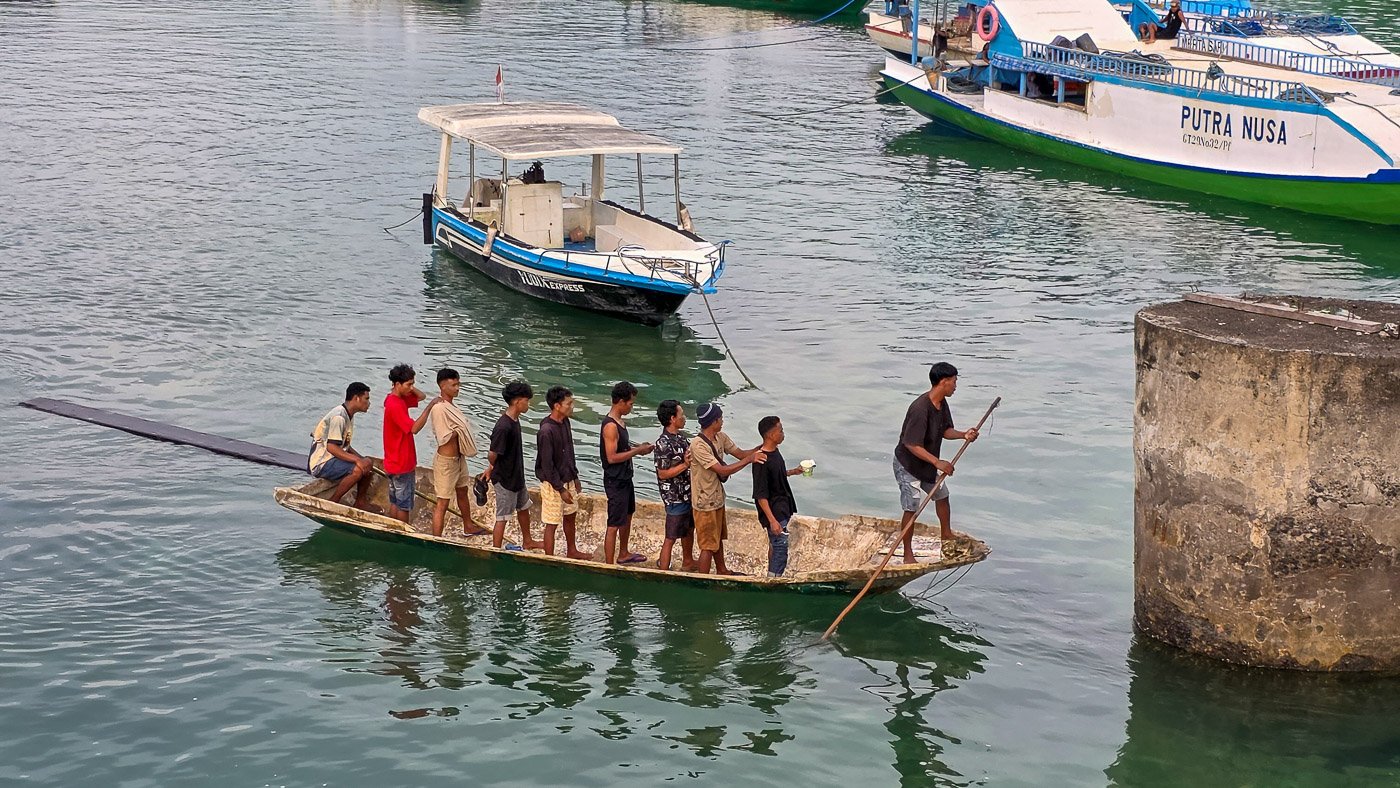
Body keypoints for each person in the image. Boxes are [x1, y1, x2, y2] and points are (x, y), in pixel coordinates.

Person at [893, 362, 979, 563]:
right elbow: (912, 444)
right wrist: (938, 462)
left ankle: (946, 534)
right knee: (911, 507)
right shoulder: (920, 408)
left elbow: (945, 430)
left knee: (942, 496)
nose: (956, 386)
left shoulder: (942, 404)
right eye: (954, 381)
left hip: (926, 464)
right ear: (944, 382)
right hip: (908, 465)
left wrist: (963, 435)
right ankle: (907, 554)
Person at [689, 403, 765, 575]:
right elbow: (722, 470)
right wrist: (749, 460)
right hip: (704, 501)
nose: (722, 421)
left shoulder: (720, 437)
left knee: (717, 539)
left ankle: (722, 570)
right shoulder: (698, 445)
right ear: (713, 421)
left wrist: (764, 445)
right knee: (708, 545)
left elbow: (740, 453)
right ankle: (703, 580)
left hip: (717, 497)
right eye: (720, 418)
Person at [600, 381, 654, 565]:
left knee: (628, 514)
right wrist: (637, 451)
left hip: (625, 477)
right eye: (630, 403)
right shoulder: (610, 426)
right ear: (621, 402)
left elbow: (622, 448)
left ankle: (623, 552)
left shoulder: (620, 423)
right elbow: (612, 457)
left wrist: (639, 448)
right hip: (615, 479)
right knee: (614, 522)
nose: (632, 407)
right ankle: (609, 563)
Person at [428, 368, 486, 538]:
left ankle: (468, 525)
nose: (457, 388)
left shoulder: (453, 407)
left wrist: (459, 430)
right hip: (446, 461)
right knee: (443, 502)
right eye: (454, 385)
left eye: (458, 384)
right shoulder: (439, 409)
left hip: (459, 459)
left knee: (462, 492)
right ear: (442, 386)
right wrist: (458, 430)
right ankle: (435, 538)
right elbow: (442, 437)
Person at [485, 380, 540, 550]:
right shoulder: (503, 426)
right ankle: (496, 548)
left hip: (517, 476)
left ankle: (528, 540)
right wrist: (492, 467)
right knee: (503, 517)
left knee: (524, 507)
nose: (528, 404)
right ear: (517, 401)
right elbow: (492, 453)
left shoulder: (514, 420)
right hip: (505, 479)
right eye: (526, 400)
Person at [536, 385, 588, 560]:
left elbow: (569, 452)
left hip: (568, 477)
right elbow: (547, 465)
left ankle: (571, 549)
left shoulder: (565, 422)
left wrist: (575, 476)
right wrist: (560, 488)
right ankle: (549, 557)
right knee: (551, 522)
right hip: (553, 483)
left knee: (570, 515)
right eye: (569, 403)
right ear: (557, 406)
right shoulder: (546, 431)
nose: (571, 407)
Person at [382, 364, 439, 524]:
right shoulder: (395, 405)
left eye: (412, 384)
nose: (411, 388)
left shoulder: (394, 399)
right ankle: (402, 530)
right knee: (404, 505)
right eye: (408, 384)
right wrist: (429, 408)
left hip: (392, 461)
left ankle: (391, 527)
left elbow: (421, 396)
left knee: (395, 501)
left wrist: (409, 387)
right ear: (397, 384)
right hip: (401, 463)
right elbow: (414, 428)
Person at [308, 382, 375, 511]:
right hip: (322, 462)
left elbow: (344, 446)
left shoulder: (348, 414)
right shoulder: (339, 417)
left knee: (367, 464)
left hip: (333, 458)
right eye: (366, 399)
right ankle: (334, 500)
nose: (369, 403)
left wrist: (363, 460)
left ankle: (360, 502)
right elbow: (332, 448)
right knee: (357, 469)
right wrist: (357, 460)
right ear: (356, 398)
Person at [752, 416, 803, 578]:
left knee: (774, 545)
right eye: (780, 431)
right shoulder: (761, 459)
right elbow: (760, 494)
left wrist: (794, 471)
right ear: (770, 435)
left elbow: (777, 476)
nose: (783, 434)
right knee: (780, 546)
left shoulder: (775, 453)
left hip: (783, 505)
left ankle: (770, 575)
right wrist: (772, 520)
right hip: (774, 510)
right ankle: (774, 578)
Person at [654, 400, 697, 572]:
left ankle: (688, 561)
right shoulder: (663, 443)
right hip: (674, 497)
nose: (684, 418)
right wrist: (685, 465)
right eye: (682, 415)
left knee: (689, 529)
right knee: (671, 536)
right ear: (672, 418)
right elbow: (662, 474)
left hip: (688, 493)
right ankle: (663, 570)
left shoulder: (681, 439)